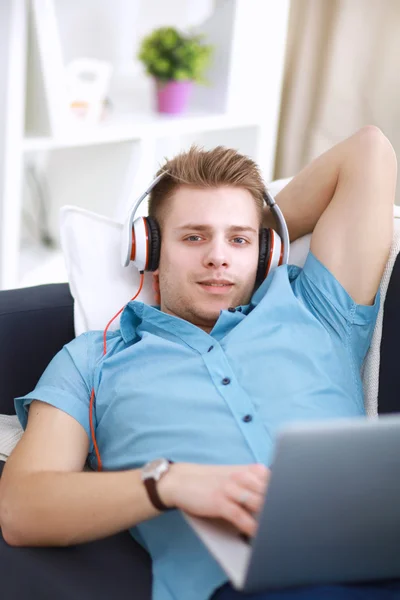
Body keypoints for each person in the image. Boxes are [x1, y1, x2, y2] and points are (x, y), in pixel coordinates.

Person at [0, 126, 399, 600]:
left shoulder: (317, 309)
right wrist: (166, 483)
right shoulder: (93, 358)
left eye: (238, 241)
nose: (217, 258)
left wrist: (254, 229)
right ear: (150, 248)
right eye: (193, 237)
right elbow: (22, 509)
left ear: (267, 250)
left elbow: (368, 150)